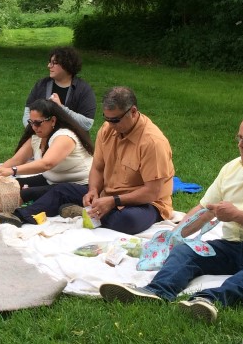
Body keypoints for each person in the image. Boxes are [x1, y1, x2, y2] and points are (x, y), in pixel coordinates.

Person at [100, 112, 243, 323]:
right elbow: (205, 209)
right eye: (239, 138)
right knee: (186, 251)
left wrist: (236, 215)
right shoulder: (232, 168)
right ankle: (156, 292)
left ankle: (209, 300)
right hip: (233, 246)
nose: (240, 144)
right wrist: (174, 235)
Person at [46, 86, 174, 235]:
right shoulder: (107, 129)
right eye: (107, 119)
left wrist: (114, 201)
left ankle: (86, 212)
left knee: (127, 221)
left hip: (147, 203)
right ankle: (24, 215)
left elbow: (152, 192)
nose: (111, 125)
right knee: (61, 189)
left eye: (115, 120)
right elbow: (97, 168)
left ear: (133, 112)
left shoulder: (153, 142)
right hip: (108, 196)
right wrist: (93, 190)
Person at [0, 99, 94, 225]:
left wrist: (12, 170)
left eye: (38, 123)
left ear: (53, 121)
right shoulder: (37, 137)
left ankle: (17, 217)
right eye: (31, 123)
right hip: (52, 180)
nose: (34, 127)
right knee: (12, 184)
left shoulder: (64, 136)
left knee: (38, 193)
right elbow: (17, 160)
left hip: (83, 187)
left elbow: (47, 163)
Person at [23, 46, 96, 131]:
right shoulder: (41, 85)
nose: (49, 66)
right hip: (41, 135)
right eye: (50, 62)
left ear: (67, 65)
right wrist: (34, 130)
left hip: (70, 137)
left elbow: (87, 124)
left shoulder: (83, 90)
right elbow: (28, 112)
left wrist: (61, 108)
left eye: (54, 63)